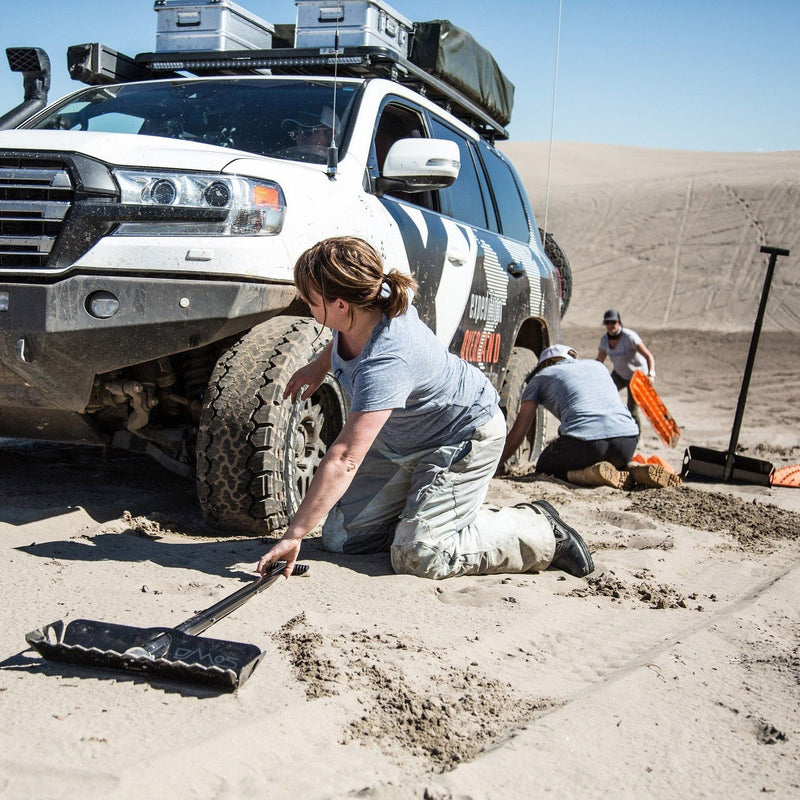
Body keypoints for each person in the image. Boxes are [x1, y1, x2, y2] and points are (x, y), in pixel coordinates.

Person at [256, 237, 594, 581]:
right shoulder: (373, 302)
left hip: (463, 436)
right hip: (402, 441)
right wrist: (319, 365)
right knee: (341, 539)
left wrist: (293, 534)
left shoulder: (388, 359)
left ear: (341, 304)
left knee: (420, 555)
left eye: (311, 300)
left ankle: (539, 527)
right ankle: (426, 513)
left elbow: (345, 458)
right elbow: (345, 339)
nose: (306, 305)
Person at [501, 344, 660, 489]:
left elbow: (518, 436)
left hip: (588, 445)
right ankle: (633, 468)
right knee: (610, 455)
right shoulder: (598, 366)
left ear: (547, 363)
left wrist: (494, 465)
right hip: (628, 442)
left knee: (545, 465)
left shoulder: (541, 376)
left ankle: (591, 475)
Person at [595, 309, 656, 431]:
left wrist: (651, 374)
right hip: (619, 374)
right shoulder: (604, 341)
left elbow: (649, 356)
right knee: (603, 395)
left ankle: (636, 437)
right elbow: (599, 361)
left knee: (632, 410)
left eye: (613, 322)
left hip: (637, 377)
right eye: (608, 323)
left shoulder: (629, 337)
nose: (611, 326)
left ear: (619, 323)